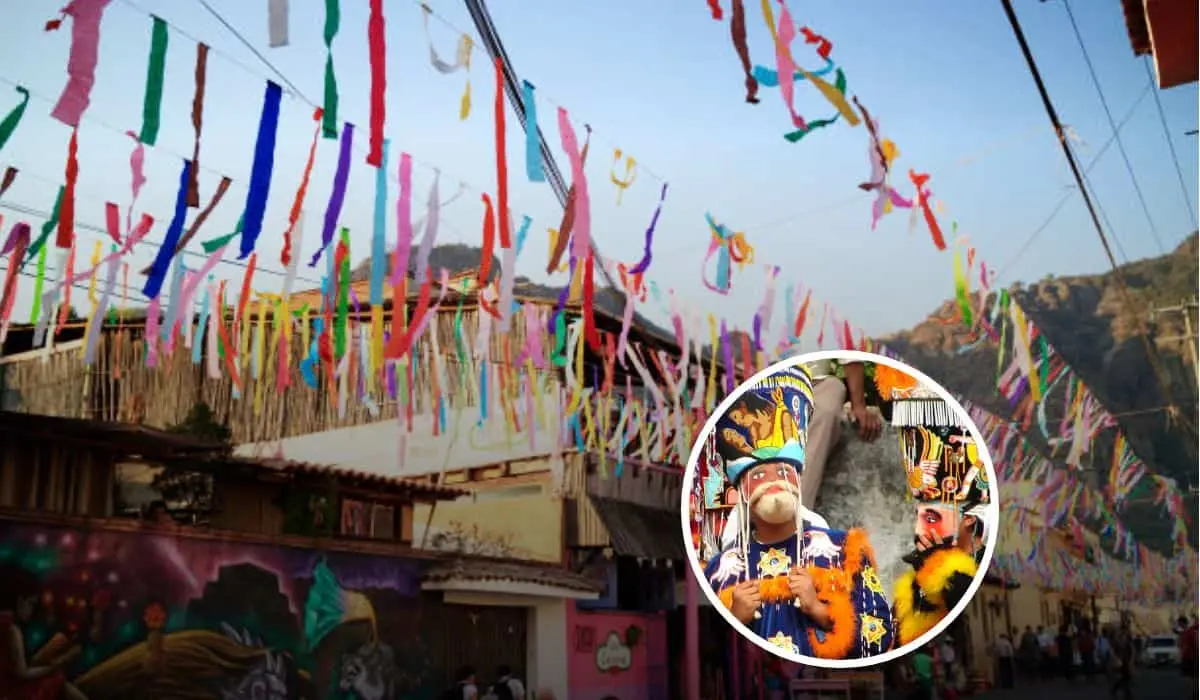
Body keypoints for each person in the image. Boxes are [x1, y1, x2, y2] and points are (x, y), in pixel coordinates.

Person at [704, 365, 894, 660]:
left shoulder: (845, 549)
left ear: (798, 478)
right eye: (759, 474)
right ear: (742, 490)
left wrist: (817, 609)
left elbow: (879, 637)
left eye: (783, 470)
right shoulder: (721, 568)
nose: (774, 482)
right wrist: (734, 617)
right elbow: (706, 656)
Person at [717, 359, 878, 549]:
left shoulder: (818, 528)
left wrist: (859, 404)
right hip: (754, 379)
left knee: (832, 391)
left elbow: (850, 355)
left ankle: (791, 517)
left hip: (814, 383)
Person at [888, 385, 991, 647]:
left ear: (968, 519)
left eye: (932, 518)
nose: (919, 530)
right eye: (918, 517)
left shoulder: (966, 574)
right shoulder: (913, 579)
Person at [0, 564, 88, 700]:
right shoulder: (10, 629)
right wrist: (52, 669)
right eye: (31, 604)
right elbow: (21, 673)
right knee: (56, 679)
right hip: (9, 693)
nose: (31, 610)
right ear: (20, 600)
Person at [1178, 615, 1197, 688]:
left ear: (1182, 623)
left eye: (1179, 623)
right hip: (1186, 656)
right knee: (1189, 675)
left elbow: (1194, 644)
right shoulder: (1184, 632)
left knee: (1192, 675)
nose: (1179, 625)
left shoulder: (1190, 632)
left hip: (1191, 656)